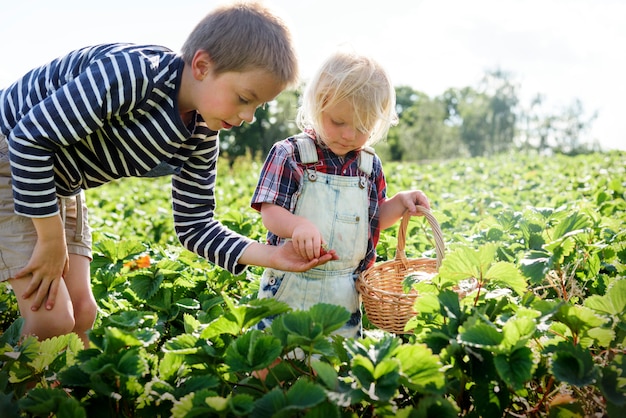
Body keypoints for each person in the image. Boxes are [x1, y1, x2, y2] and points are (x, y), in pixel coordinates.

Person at [0, 1, 336, 348]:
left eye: (257, 106)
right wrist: (51, 240)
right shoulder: (136, 74)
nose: (248, 116)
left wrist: (272, 256)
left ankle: (71, 394)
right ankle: (21, 400)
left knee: (82, 312)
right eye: (243, 98)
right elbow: (30, 138)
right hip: (11, 155)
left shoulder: (203, 130)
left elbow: (195, 224)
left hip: (61, 180)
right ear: (202, 66)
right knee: (51, 318)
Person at [250, 50, 430, 339]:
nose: (348, 135)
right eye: (338, 121)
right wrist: (297, 226)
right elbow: (270, 213)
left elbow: (369, 223)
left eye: (361, 127)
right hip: (290, 283)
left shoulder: (368, 167)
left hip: (343, 292)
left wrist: (399, 204)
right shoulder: (290, 154)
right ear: (316, 105)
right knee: (275, 359)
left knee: (336, 371)